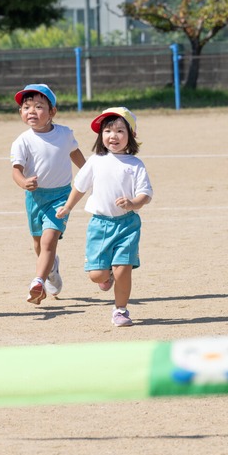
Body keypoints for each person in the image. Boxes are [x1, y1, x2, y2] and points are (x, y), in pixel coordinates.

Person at [57, 107, 152, 327]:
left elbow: (145, 195)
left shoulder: (136, 165)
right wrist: (67, 207)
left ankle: (121, 310)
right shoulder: (95, 160)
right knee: (96, 275)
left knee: (123, 270)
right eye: (108, 130)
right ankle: (105, 276)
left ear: (131, 135)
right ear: (101, 136)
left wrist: (132, 203)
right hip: (99, 225)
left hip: (127, 225)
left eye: (120, 130)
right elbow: (80, 187)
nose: (113, 135)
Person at [10, 83, 86, 304]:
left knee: (49, 241)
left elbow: (75, 154)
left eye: (39, 106)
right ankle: (51, 269)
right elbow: (16, 171)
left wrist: (91, 172)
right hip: (35, 198)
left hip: (61, 196)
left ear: (52, 112)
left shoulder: (64, 134)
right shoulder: (22, 141)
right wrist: (24, 182)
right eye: (26, 107)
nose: (31, 111)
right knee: (38, 243)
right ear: (20, 113)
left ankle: (38, 281)